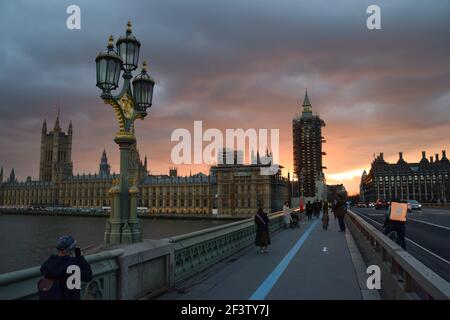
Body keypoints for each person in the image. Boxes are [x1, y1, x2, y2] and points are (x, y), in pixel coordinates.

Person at [39, 235, 93, 300]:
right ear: (69, 250)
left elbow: (42, 270)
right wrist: (80, 257)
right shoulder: (72, 265)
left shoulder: (48, 263)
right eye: (73, 247)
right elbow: (88, 276)